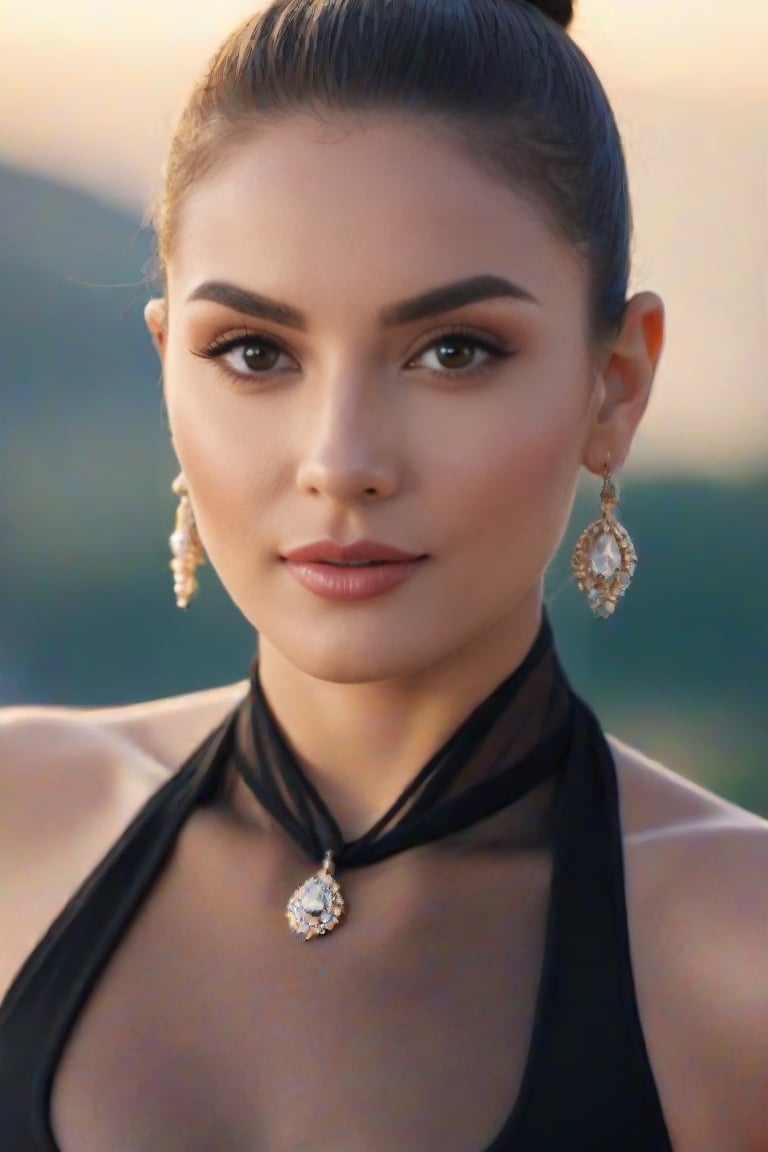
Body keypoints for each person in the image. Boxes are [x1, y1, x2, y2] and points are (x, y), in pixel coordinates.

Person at [0, 0, 765, 1148]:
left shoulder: (737, 957)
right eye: (254, 353)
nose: (340, 462)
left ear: (615, 384)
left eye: (453, 352)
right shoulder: (19, 824)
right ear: (170, 368)